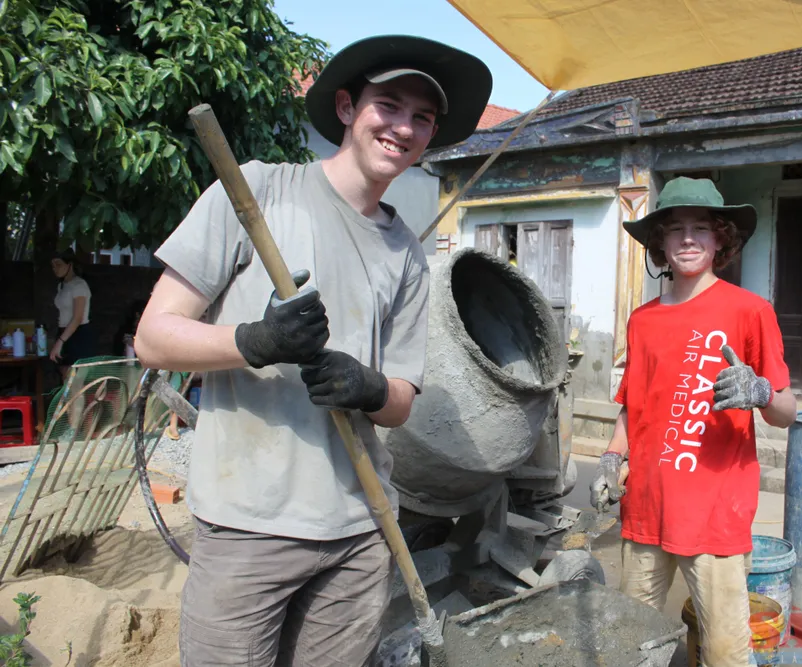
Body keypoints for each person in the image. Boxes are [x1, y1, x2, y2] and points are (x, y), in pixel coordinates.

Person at [133, 35, 492, 666]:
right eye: (390, 104)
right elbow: (154, 338)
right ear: (349, 107)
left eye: (423, 117)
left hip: (361, 529)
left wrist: (370, 387)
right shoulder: (257, 196)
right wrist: (255, 341)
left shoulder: (407, 253)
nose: (404, 127)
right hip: (250, 527)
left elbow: (403, 401)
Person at [589, 177, 798, 667]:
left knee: (725, 652)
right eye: (675, 228)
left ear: (719, 237)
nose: (687, 238)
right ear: (659, 242)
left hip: (715, 514)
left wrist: (761, 391)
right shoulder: (642, 320)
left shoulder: (750, 311)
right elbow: (632, 407)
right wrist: (611, 459)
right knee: (633, 645)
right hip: (644, 510)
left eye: (700, 228)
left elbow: (787, 411)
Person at [49, 248, 97, 377]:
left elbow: (78, 318)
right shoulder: (62, 286)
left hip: (79, 335)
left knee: (74, 382)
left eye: (58, 264)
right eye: (53, 265)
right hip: (64, 333)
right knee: (65, 378)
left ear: (70, 264)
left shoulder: (79, 285)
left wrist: (60, 341)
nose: (55, 269)